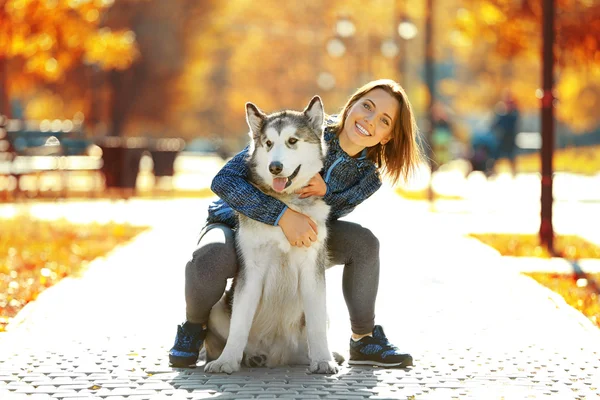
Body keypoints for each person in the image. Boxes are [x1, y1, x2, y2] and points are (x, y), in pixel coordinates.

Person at [169, 79, 425, 369]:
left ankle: (363, 339)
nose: (369, 119)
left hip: (303, 229)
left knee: (363, 243)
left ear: (387, 136)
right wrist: (281, 216)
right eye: (367, 106)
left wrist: (325, 191)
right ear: (352, 104)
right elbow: (223, 180)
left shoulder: (368, 178)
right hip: (233, 220)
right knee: (210, 258)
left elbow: (331, 213)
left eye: (383, 120)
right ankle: (193, 327)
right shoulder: (299, 126)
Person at [491, 91, 520, 177]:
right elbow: (495, 124)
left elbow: (512, 124)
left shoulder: (513, 113)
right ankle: (494, 171)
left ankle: (513, 172)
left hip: (510, 137)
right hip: (502, 138)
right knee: (496, 155)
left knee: (511, 156)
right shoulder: (501, 113)